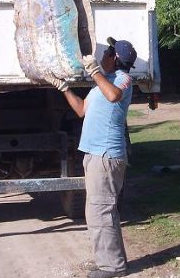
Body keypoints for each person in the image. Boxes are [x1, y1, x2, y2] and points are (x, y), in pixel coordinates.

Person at [56, 37, 137, 278]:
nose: (102, 56)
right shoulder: (102, 83)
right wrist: (64, 88)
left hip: (106, 155)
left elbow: (113, 96)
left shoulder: (123, 79)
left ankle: (112, 267)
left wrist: (94, 71)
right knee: (101, 211)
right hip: (95, 155)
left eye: (107, 53)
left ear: (115, 58)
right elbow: (81, 109)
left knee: (100, 211)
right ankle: (114, 262)